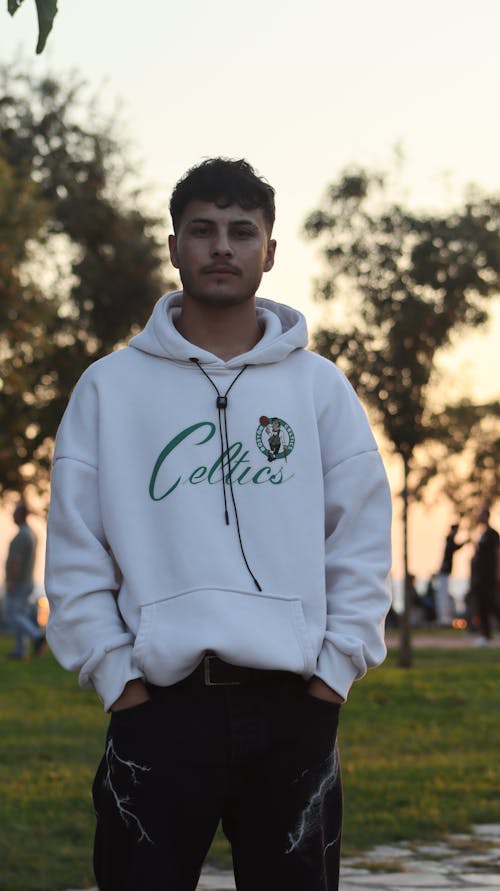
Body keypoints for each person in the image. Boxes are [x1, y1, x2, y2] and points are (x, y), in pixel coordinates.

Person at [45, 158, 392, 891]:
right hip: (160, 708)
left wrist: (334, 674)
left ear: (271, 249)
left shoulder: (319, 388)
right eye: (202, 230)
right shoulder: (110, 387)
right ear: (174, 245)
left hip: (295, 703)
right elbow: (76, 548)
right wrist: (119, 680)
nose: (222, 247)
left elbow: (360, 539)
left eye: (242, 231)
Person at [4, 501, 44, 659]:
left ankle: (36, 635)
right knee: (20, 614)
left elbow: (16, 561)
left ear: (20, 514)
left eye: (15, 512)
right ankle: (20, 650)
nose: (12, 515)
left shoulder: (22, 535)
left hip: (19, 582)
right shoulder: (31, 534)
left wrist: (10, 580)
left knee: (12, 614)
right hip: (27, 581)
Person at [470, 507, 500, 646]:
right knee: (482, 604)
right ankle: (485, 635)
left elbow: (497, 553)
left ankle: (489, 633)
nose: (479, 517)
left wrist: (497, 572)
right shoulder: (481, 534)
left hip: (489, 575)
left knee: (491, 603)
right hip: (480, 576)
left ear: (486, 516)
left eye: (481, 515)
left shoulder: (493, 534)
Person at [437, 523, 468, 625]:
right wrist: (465, 542)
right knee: (443, 595)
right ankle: (443, 617)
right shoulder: (449, 540)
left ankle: (445, 616)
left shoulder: (449, 540)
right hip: (444, 572)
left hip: (446, 571)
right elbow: (455, 547)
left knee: (444, 595)